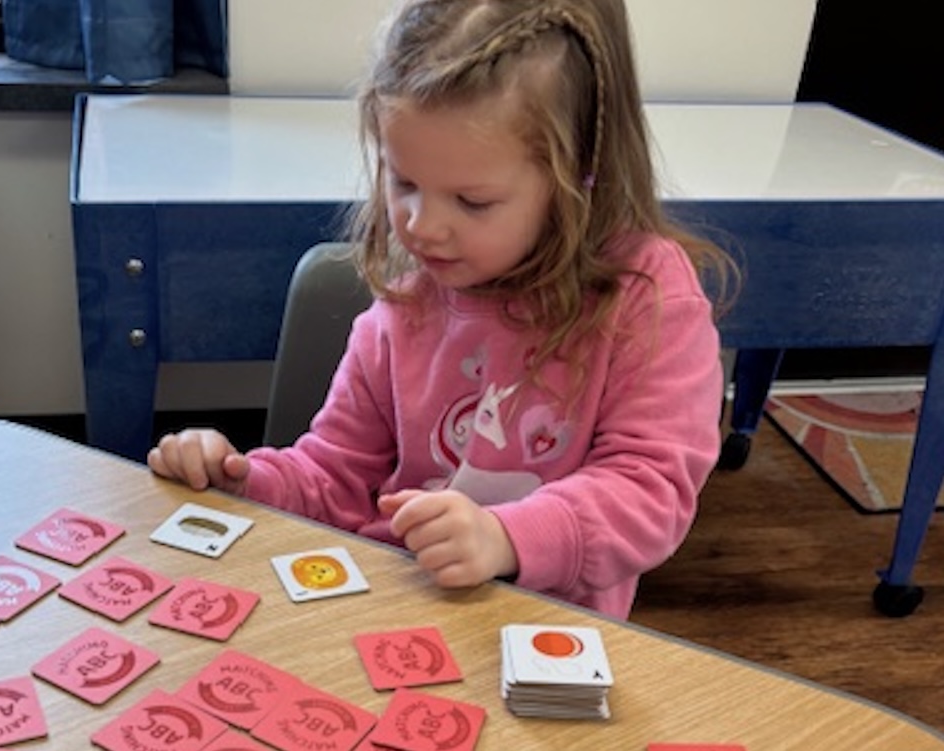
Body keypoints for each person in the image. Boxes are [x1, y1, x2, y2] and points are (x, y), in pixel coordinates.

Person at [148, 0, 736, 619]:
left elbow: (650, 489)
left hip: (545, 627)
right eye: (403, 182)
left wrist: (506, 538)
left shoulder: (645, 296)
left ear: (578, 177)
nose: (421, 227)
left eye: (473, 202)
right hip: (395, 606)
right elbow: (334, 473)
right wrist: (243, 481)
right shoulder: (406, 303)